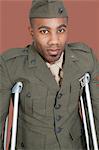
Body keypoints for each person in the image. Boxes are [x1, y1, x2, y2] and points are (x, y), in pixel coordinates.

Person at [0, 0, 99, 149]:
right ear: (32, 32)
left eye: (60, 30)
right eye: (44, 31)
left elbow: (97, 111)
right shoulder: (11, 65)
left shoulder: (85, 59)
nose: (54, 41)